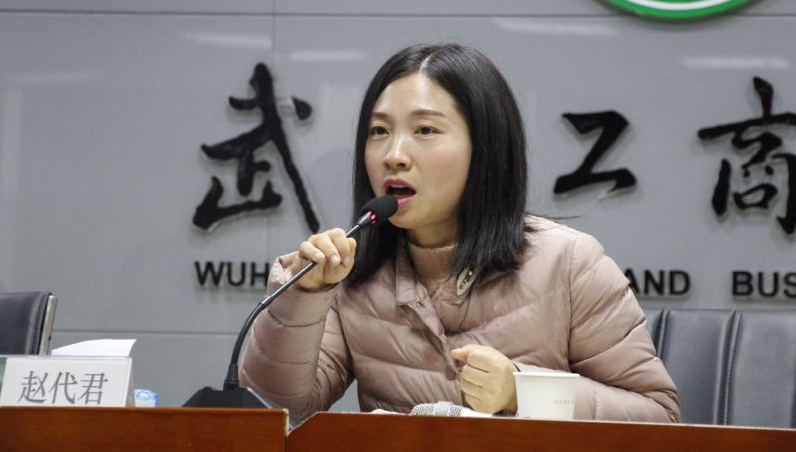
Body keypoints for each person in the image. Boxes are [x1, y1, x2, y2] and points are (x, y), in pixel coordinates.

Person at [240, 43, 680, 423]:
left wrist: (521, 392)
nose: (394, 155)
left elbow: (659, 414)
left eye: (425, 130)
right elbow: (275, 412)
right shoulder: (351, 273)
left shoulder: (568, 263)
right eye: (379, 131)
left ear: (485, 148)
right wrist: (303, 296)